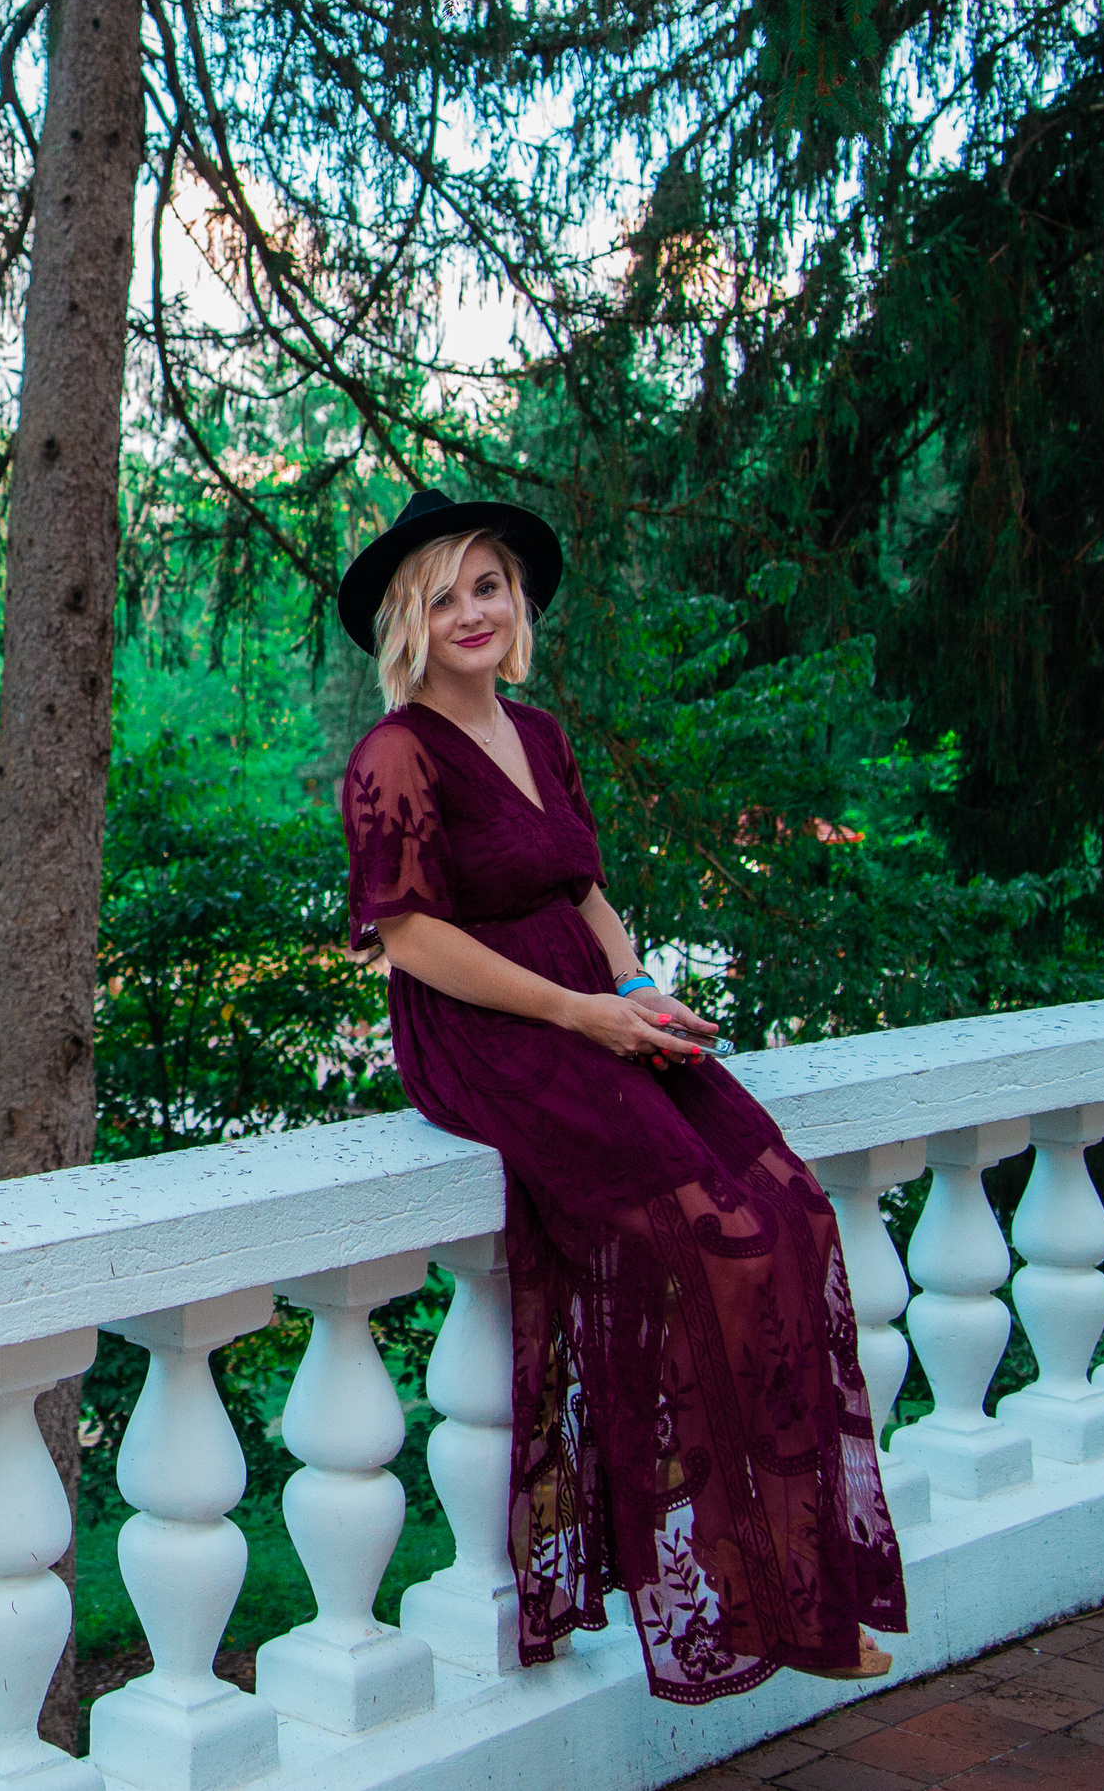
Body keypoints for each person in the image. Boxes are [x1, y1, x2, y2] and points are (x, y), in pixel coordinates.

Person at [333, 488, 906, 1703]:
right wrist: (580, 1015)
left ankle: (812, 1581)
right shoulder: (393, 751)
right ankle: (745, 1599)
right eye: (442, 595)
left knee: (790, 1208)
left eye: (487, 584)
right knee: (702, 1242)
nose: (471, 609)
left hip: (591, 1006)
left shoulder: (536, 736)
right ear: (407, 623)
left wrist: (638, 990)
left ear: (517, 601)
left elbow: (585, 895)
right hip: (488, 1028)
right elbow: (410, 938)